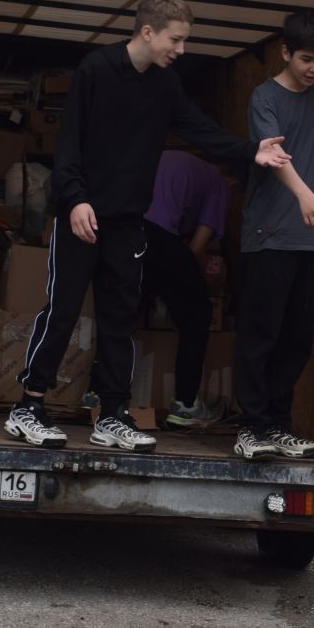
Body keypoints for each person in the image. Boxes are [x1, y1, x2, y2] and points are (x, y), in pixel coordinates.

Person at [5, 0, 290, 452]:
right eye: (175, 40)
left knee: (120, 320)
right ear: (148, 32)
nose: (180, 50)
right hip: (82, 215)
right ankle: (29, 406)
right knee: (62, 311)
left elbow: (198, 127)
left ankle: (112, 416)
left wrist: (249, 151)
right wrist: (75, 200)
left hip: (127, 223)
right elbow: (68, 145)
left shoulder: (165, 85)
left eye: (184, 41)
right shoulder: (96, 70)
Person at [231, 10, 314, 461]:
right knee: (259, 334)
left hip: (310, 237)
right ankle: (251, 426)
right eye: (306, 58)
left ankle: (278, 426)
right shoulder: (264, 97)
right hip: (269, 234)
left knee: (297, 338)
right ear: (285, 52)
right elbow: (277, 158)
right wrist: (305, 198)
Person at [143, 149, 230, 429]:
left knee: (125, 311)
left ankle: (98, 394)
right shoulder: (219, 183)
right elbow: (197, 246)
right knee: (198, 315)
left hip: (127, 229)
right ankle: (185, 404)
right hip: (159, 236)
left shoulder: (171, 158)